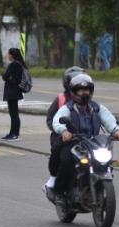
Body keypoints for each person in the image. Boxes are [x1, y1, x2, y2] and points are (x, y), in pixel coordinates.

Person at [50, 74, 119, 204]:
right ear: (74, 92)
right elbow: (57, 121)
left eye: (87, 90)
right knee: (67, 161)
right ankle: (59, 192)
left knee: (106, 160)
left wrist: (116, 131)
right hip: (74, 142)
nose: (84, 93)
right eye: (81, 90)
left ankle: (99, 187)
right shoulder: (68, 108)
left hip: (93, 143)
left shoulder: (97, 108)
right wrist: (64, 131)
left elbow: (109, 120)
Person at [44, 66, 85, 194]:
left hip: (82, 136)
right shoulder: (61, 99)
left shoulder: (87, 100)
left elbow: (99, 115)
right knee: (62, 155)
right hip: (63, 135)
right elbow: (50, 119)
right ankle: (54, 178)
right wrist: (62, 131)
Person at [1, 48, 27, 141]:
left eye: (8, 54)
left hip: (12, 92)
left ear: (12, 55)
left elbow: (5, 76)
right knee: (14, 114)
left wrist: (8, 77)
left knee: (13, 114)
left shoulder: (13, 64)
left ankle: (15, 134)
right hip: (16, 91)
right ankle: (12, 133)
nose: (8, 56)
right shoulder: (20, 64)